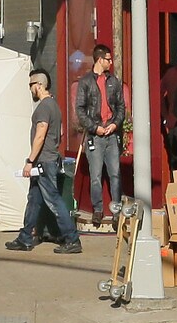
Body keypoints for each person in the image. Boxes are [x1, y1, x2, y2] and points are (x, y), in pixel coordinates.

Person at [7, 69, 82, 254]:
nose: (30, 89)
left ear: (39, 85)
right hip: (49, 159)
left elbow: (40, 136)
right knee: (34, 200)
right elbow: (61, 132)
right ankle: (25, 238)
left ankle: (72, 239)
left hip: (43, 162)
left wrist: (30, 161)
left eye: (31, 85)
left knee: (54, 201)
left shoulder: (43, 107)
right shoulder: (54, 106)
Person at [74, 44, 124, 229]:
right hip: (95, 135)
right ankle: (98, 209)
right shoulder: (86, 81)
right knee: (95, 175)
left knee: (115, 173)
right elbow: (79, 109)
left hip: (111, 133)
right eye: (108, 59)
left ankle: (117, 211)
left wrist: (114, 124)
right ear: (99, 59)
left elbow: (121, 107)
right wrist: (95, 127)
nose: (111, 62)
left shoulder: (113, 81)